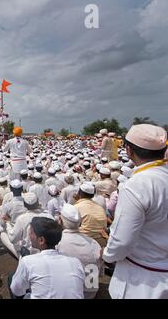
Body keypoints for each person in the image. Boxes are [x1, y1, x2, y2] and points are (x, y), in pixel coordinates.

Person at [103, 124, 168, 299]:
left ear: (129, 150)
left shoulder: (137, 185)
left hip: (144, 281)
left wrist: (107, 256)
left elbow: (122, 242)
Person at [9, 217, 85, 299]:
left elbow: (16, 290)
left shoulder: (28, 261)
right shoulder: (75, 262)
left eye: (31, 233)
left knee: (12, 278)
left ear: (41, 240)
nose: (29, 235)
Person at [57, 204, 102, 299]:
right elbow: (99, 272)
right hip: (89, 293)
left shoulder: (57, 243)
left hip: (68, 293)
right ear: (80, 223)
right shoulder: (94, 244)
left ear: (60, 221)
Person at [74, 183, 108, 248]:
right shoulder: (99, 207)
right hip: (101, 243)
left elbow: (72, 226)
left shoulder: (77, 207)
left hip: (84, 241)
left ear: (79, 193)